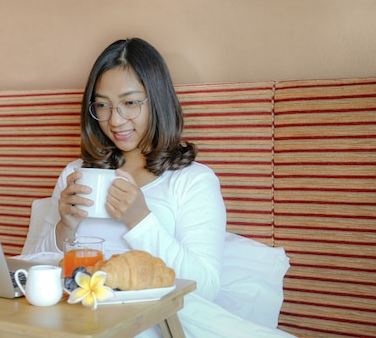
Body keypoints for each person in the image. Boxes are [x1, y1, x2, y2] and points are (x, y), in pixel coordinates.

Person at [27, 38, 296, 338]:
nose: (115, 120)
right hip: (74, 321)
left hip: (152, 323)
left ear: (157, 99)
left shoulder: (193, 181)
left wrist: (140, 220)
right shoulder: (76, 174)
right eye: (103, 105)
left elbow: (204, 287)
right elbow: (30, 271)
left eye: (130, 103)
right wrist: (65, 226)